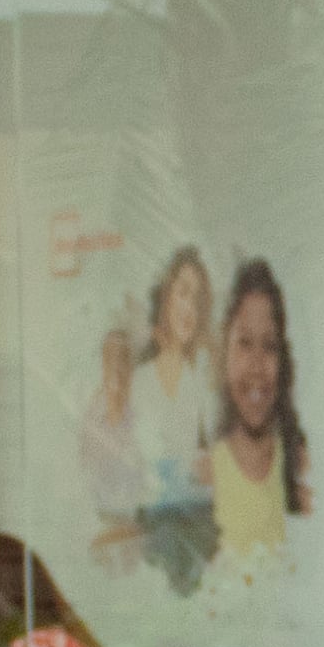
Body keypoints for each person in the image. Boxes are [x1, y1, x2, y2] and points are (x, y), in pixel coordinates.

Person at [86, 244, 222, 592]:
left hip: (199, 523)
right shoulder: (141, 381)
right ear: (166, 297)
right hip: (150, 526)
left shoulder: (203, 377)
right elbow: (120, 463)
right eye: (183, 294)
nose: (189, 308)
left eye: (198, 299)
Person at [203, 258, 309, 567]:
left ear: (284, 359)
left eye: (270, 346)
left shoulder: (300, 466)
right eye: (244, 344)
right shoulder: (206, 473)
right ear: (224, 352)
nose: (257, 365)